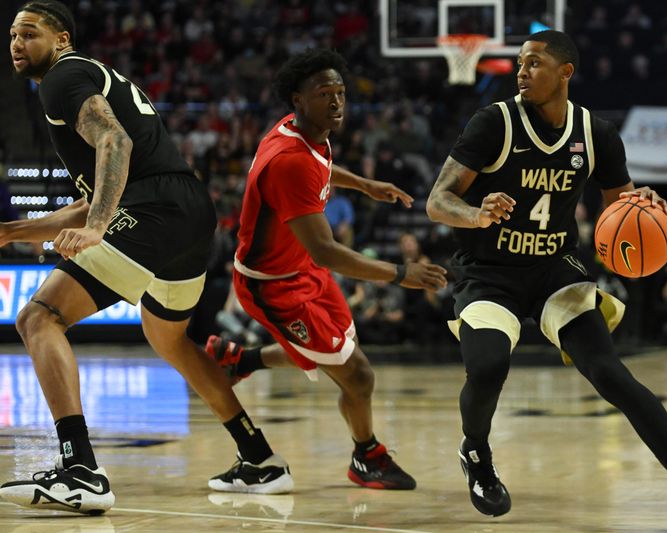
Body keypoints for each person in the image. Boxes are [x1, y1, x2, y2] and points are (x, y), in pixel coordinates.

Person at [425, 30, 667, 533]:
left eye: (534, 63)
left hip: (554, 271)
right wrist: (476, 214)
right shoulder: (494, 122)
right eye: (520, 63)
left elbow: (622, 210)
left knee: (611, 374)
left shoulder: (596, 134)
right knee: (487, 367)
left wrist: (645, 208)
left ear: (565, 72)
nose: (522, 71)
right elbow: (438, 201)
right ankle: (476, 453)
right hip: (490, 272)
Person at [1, 1, 291, 515]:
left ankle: (81, 471)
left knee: (38, 317)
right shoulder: (87, 76)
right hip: (188, 210)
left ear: (62, 39)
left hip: (152, 208)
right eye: (11, 36)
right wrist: (14, 231)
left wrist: (95, 230)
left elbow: (114, 140)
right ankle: (259, 457)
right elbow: (99, 193)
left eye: (29, 33)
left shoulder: (62, 78)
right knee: (170, 339)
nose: (17, 44)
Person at [204, 49, 447, 490]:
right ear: (297, 98)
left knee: (337, 350)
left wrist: (364, 183)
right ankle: (366, 456)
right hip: (273, 286)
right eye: (324, 94)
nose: (337, 103)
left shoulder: (305, 132)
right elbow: (328, 253)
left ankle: (243, 359)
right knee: (357, 373)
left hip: (302, 273)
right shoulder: (289, 159)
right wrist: (400, 273)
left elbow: (324, 169)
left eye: (340, 93)